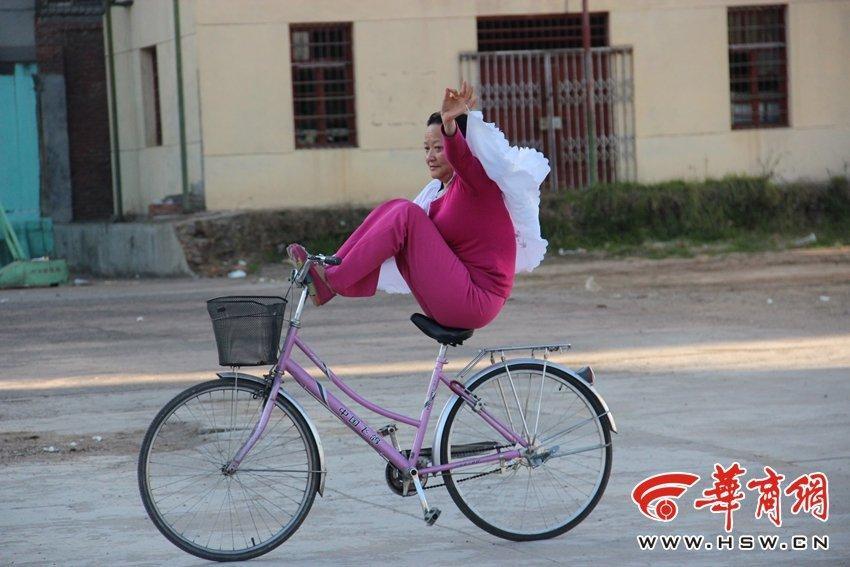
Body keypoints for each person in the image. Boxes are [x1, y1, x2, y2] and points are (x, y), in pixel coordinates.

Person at [288, 81, 550, 330]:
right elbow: (390, 237)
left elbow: (461, 157)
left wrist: (449, 124)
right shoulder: (436, 194)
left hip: (477, 299)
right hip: (453, 290)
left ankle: (332, 281)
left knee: (406, 213)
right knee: (394, 208)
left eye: (438, 148)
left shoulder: (477, 183)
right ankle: (331, 270)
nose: (430, 157)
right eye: (427, 149)